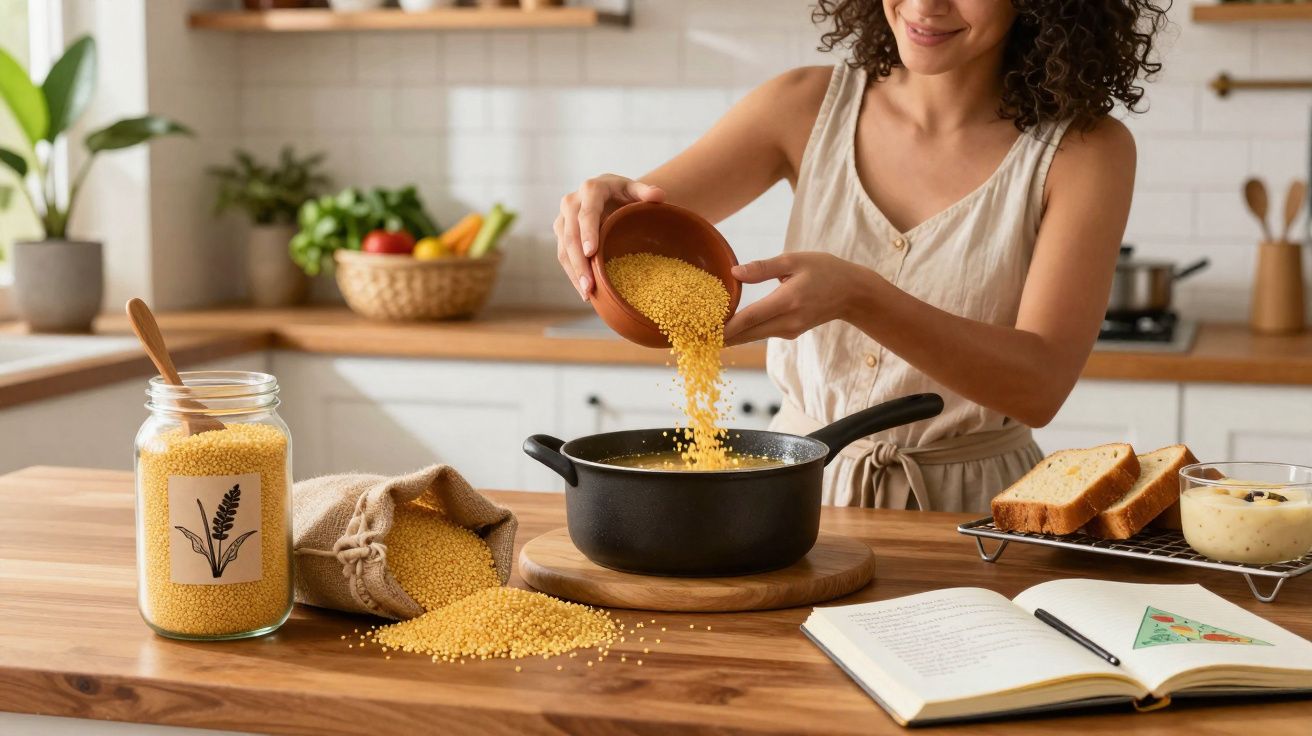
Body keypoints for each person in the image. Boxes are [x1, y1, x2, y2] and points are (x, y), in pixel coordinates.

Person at [553, 0, 1168, 513]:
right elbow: (637, 227)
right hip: (793, 493)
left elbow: (1039, 386)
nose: (926, 5)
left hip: (975, 512)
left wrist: (859, 297)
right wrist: (599, 204)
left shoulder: (1086, 152)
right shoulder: (802, 105)